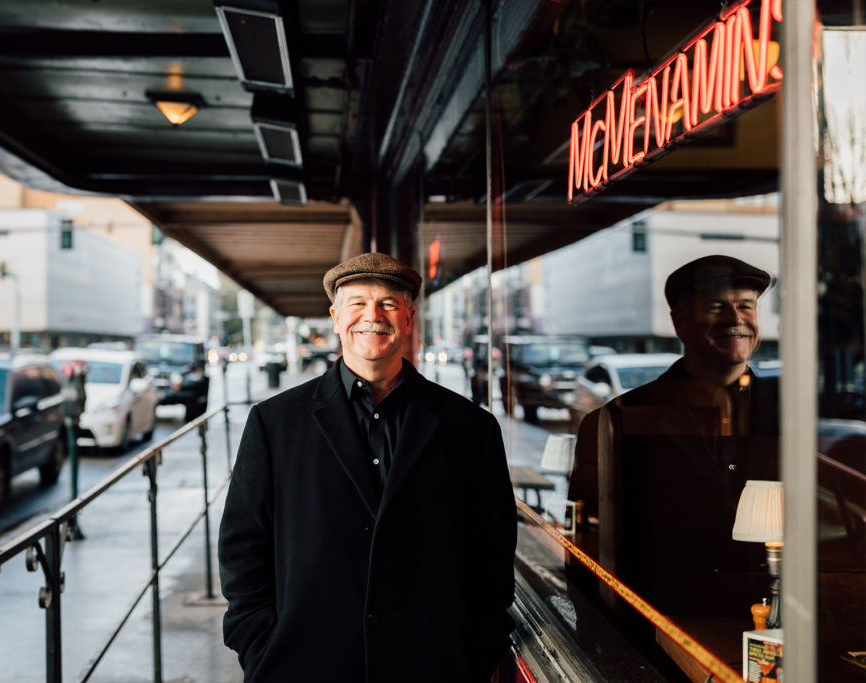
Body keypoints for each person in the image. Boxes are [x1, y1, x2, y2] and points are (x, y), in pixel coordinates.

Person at [218, 252, 517, 683]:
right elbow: (242, 547)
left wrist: (476, 647)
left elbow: (493, 549)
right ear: (336, 317)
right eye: (357, 303)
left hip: (433, 668)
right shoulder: (274, 422)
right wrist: (259, 645)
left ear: (409, 318)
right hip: (301, 667)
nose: (372, 316)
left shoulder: (471, 428)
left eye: (389, 304)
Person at [568, 255, 780, 624]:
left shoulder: (793, 418)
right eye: (717, 308)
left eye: (746, 306)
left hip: (773, 629)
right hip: (658, 636)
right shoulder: (616, 423)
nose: (736, 319)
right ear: (679, 322)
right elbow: (587, 551)